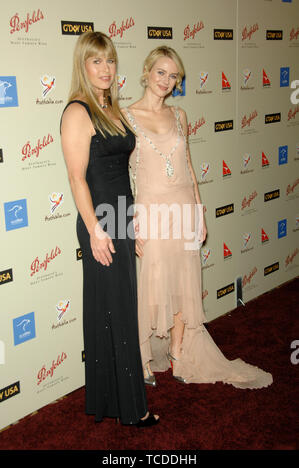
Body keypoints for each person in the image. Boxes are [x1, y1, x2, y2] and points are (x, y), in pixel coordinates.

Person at [124, 46, 273, 389]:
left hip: (184, 208)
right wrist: (129, 222)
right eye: (161, 72)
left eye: (173, 75)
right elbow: (119, 174)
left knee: (184, 285)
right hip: (150, 210)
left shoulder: (180, 115)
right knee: (152, 288)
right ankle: (143, 357)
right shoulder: (125, 116)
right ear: (146, 72)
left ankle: (177, 353)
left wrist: (200, 212)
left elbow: (189, 168)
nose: (166, 80)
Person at [60, 31, 159, 426]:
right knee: (113, 310)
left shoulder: (113, 110)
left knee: (117, 310)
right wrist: (96, 230)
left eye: (110, 60)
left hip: (121, 217)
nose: (105, 69)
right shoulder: (77, 112)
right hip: (98, 220)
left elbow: (122, 175)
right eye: (96, 61)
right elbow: (76, 178)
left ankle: (110, 400)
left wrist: (130, 222)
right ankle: (133, 409)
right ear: (83, 65)